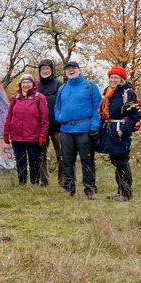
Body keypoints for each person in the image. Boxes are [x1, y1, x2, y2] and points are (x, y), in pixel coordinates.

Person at [55, 61, 102, 199]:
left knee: (87, 160)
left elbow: (97, 108)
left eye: (73, 68)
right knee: (67, 161)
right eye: (68, 69)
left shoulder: (90, 86)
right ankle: (69, 189)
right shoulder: (62, 88)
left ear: (79, 70)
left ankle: (90, 189)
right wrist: (59, 117)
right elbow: (57, 106)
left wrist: (94, 127)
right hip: (66, 130)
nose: (71, 70)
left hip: (85, 129)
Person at [98, 66, 141, 202]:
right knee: (115, 161)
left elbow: (135, 116)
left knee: (122, 161)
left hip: (121, 131)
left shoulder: (128, 94)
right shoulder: (108, 93)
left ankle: (127, 193)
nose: (113, 80)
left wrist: (123, 130)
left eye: (116, 78)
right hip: (110, 130)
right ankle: (120, 191)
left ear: (122, 79)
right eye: (111, 77)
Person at [3, 75, 49, 185]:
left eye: (28, 82)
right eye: (24, 82)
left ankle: (34, 183)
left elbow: (44, 118)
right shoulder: (15, 98)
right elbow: (9, 116)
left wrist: (43, 135)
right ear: (20, 84)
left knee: (34, 161)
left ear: (33, 84)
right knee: (20, 161)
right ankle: (22, 183)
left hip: (33, 136)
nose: (26, 84)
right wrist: (6, 132)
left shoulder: (40, 97)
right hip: (17, 136)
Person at [37, 59, 63, 187]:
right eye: (43, 69)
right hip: (41, 127)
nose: (45, 71)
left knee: (61, 155)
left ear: (52, 70)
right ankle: (44, 181)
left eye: (48, 68)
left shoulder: (58, 85)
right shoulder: (36, 86)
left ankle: (63, 181)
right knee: (41, 155)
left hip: (56, 125)